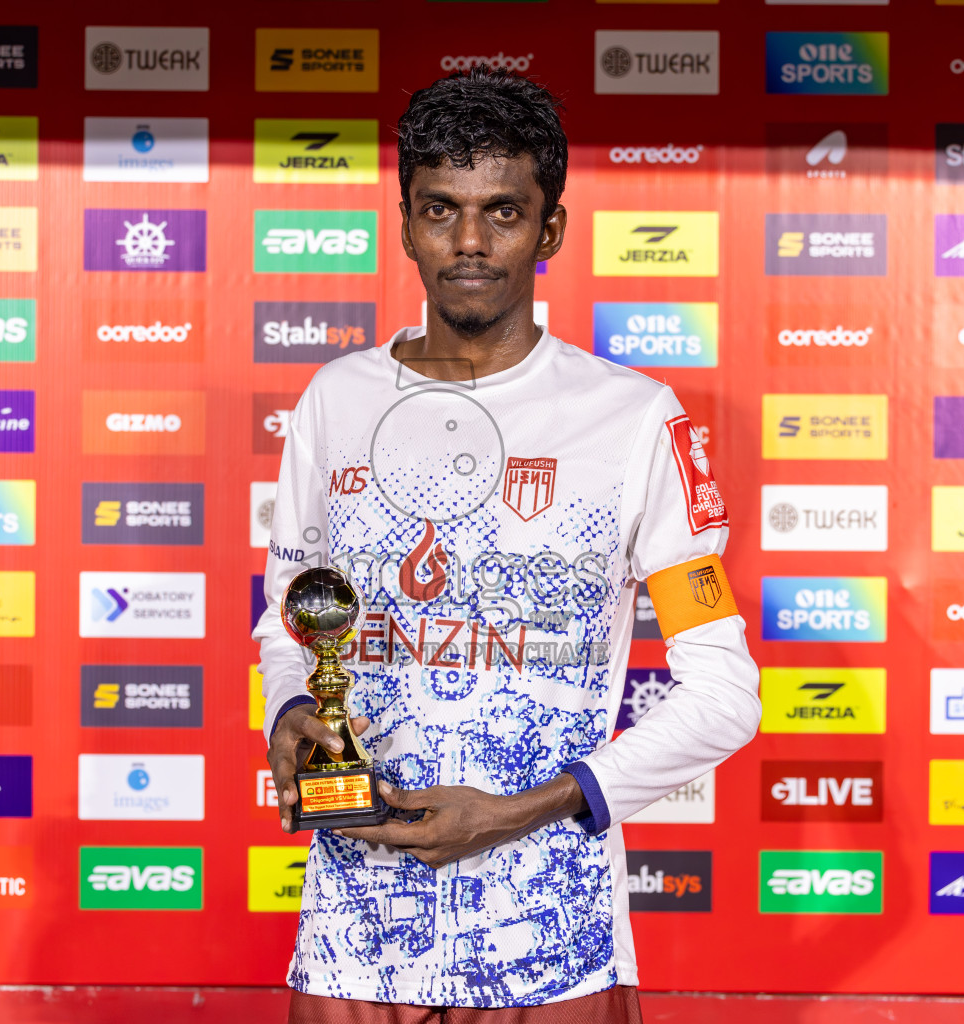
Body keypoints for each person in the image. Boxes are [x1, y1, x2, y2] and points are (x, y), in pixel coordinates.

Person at [255, 67, 761, 1023]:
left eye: (503, 211)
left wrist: (519, 811)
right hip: (355, 939)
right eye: (440, 211)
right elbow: (293, 620)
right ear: (404, 224)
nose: (471, 242)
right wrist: (289, 712)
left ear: (552, 228)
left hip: (550, 944)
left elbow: (725, 695)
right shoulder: (335, 401)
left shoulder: (635, 420)